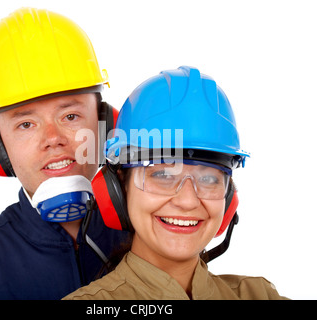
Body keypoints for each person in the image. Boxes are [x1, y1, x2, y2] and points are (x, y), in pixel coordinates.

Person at [0, 7, 129, 300]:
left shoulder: (157, 242)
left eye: (70, 116)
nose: (53, 139)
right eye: (26, 124)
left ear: (106, 126)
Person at [64, 66, 288, 300]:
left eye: (209, 178)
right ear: (119, 188)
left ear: (229, 197)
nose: (188, 200)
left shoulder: (259, 295)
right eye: (162, 175)